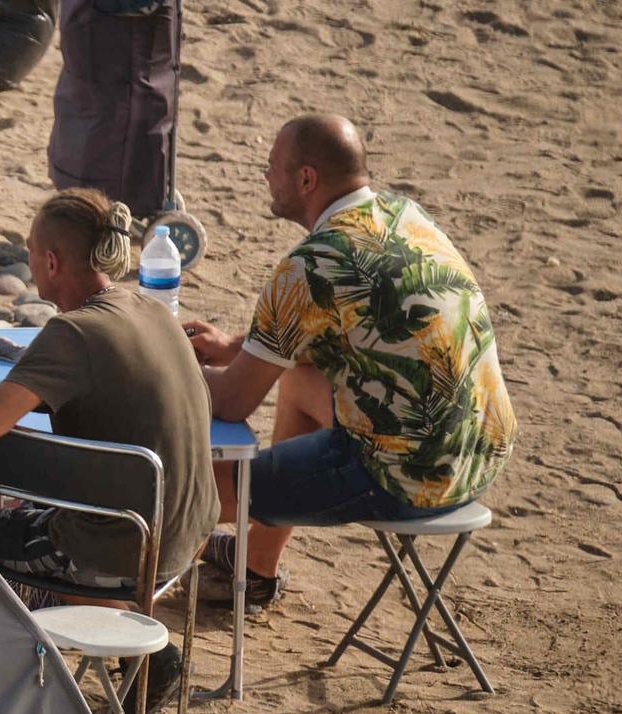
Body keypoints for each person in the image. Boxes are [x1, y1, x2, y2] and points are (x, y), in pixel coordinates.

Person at [183, 115, 517, 605]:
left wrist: (163, 366)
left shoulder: (312, 263)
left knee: (199, 486)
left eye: (272, 167)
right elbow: (349, 332)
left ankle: (104, 595)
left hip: (407, 477)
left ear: (305, 180)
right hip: (479, 453)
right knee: (300, 381)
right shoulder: (406, 216)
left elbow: (233, 401)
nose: (265, 177)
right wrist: (241, 347)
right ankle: (255, 568)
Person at [0, 189, 217, 712]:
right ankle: (139, 650)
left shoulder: (72, 332)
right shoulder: (150, 306)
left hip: (128, 551)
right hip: (189, 534)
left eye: (31, 251)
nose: (29, 262)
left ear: (50, 261)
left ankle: (8, 687)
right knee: (49, 507)